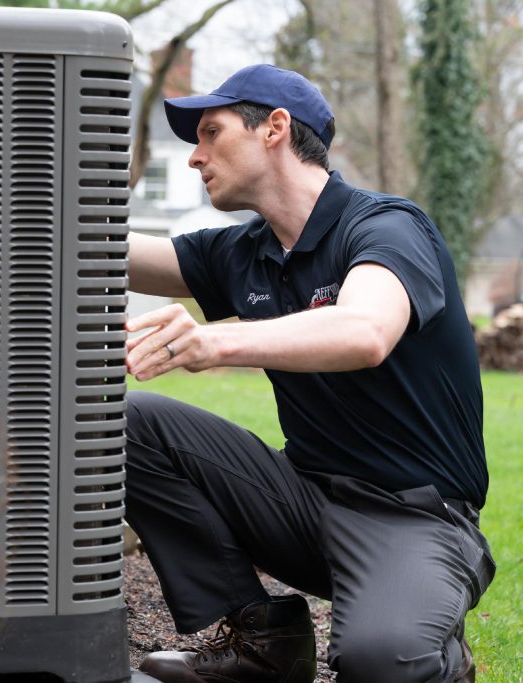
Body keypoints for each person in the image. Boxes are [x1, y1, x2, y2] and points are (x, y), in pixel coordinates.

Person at [124, 64, 494, 683]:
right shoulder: (243, 252)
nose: (195, 156)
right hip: (304, 502)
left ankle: (439, 649)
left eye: (211, 132)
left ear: (275, 128)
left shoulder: (385, 226)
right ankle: (264, 641)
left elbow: (365, 332)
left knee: (382, 662)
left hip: (413, 517)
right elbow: (109, 249)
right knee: (132, 423)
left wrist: (215, 341)